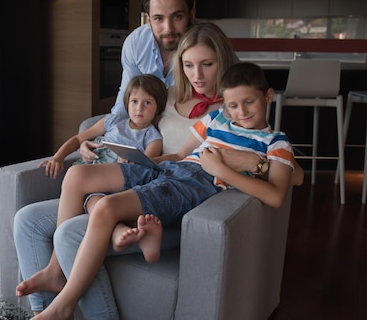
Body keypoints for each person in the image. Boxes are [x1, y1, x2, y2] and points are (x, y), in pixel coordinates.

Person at [14, 22, 252, 318]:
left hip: (173, 199)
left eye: (207, 64)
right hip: (141, 174)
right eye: (189, 65)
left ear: (223, 61)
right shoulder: (168, 94)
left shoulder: (237, 108)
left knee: (70, 235)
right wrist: (90, 142)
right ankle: (42, 304)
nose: (197, 75)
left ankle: (67, 303)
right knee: (27, 220)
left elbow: (258, 153)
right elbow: (126, 118)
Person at [32, 62, 297, 320]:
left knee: (105, 207)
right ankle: (56, 270)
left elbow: (276, 196)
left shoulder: (275, 142)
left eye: (249, 102)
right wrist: (144, 160)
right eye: (233, 105)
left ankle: (64, 306)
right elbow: (181, 154)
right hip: (171, 169)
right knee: (77, 174)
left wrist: (222, 169)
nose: (241, 112)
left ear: (268, 96)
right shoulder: (216, 118)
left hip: (194, 184)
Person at [40, 74, 168, 180]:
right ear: (127, 103)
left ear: (158, 107)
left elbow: (144, 169)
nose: (139, 108)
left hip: (111, 178)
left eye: (147, 102)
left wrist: (129, 163)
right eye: (134, 101)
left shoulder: (153, 138)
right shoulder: (112, 121)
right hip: (84, 171)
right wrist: (58, 157)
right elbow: (78, 139)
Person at [110, 0, 195, 116]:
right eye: (158, 19)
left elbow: (235, 90)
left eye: (177, 16)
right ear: (148, 20)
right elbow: (127, 96)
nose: (168, 28)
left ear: (191, 15)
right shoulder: (136, 43)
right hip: (147, 121)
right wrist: (112, 133)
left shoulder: (210, 43)